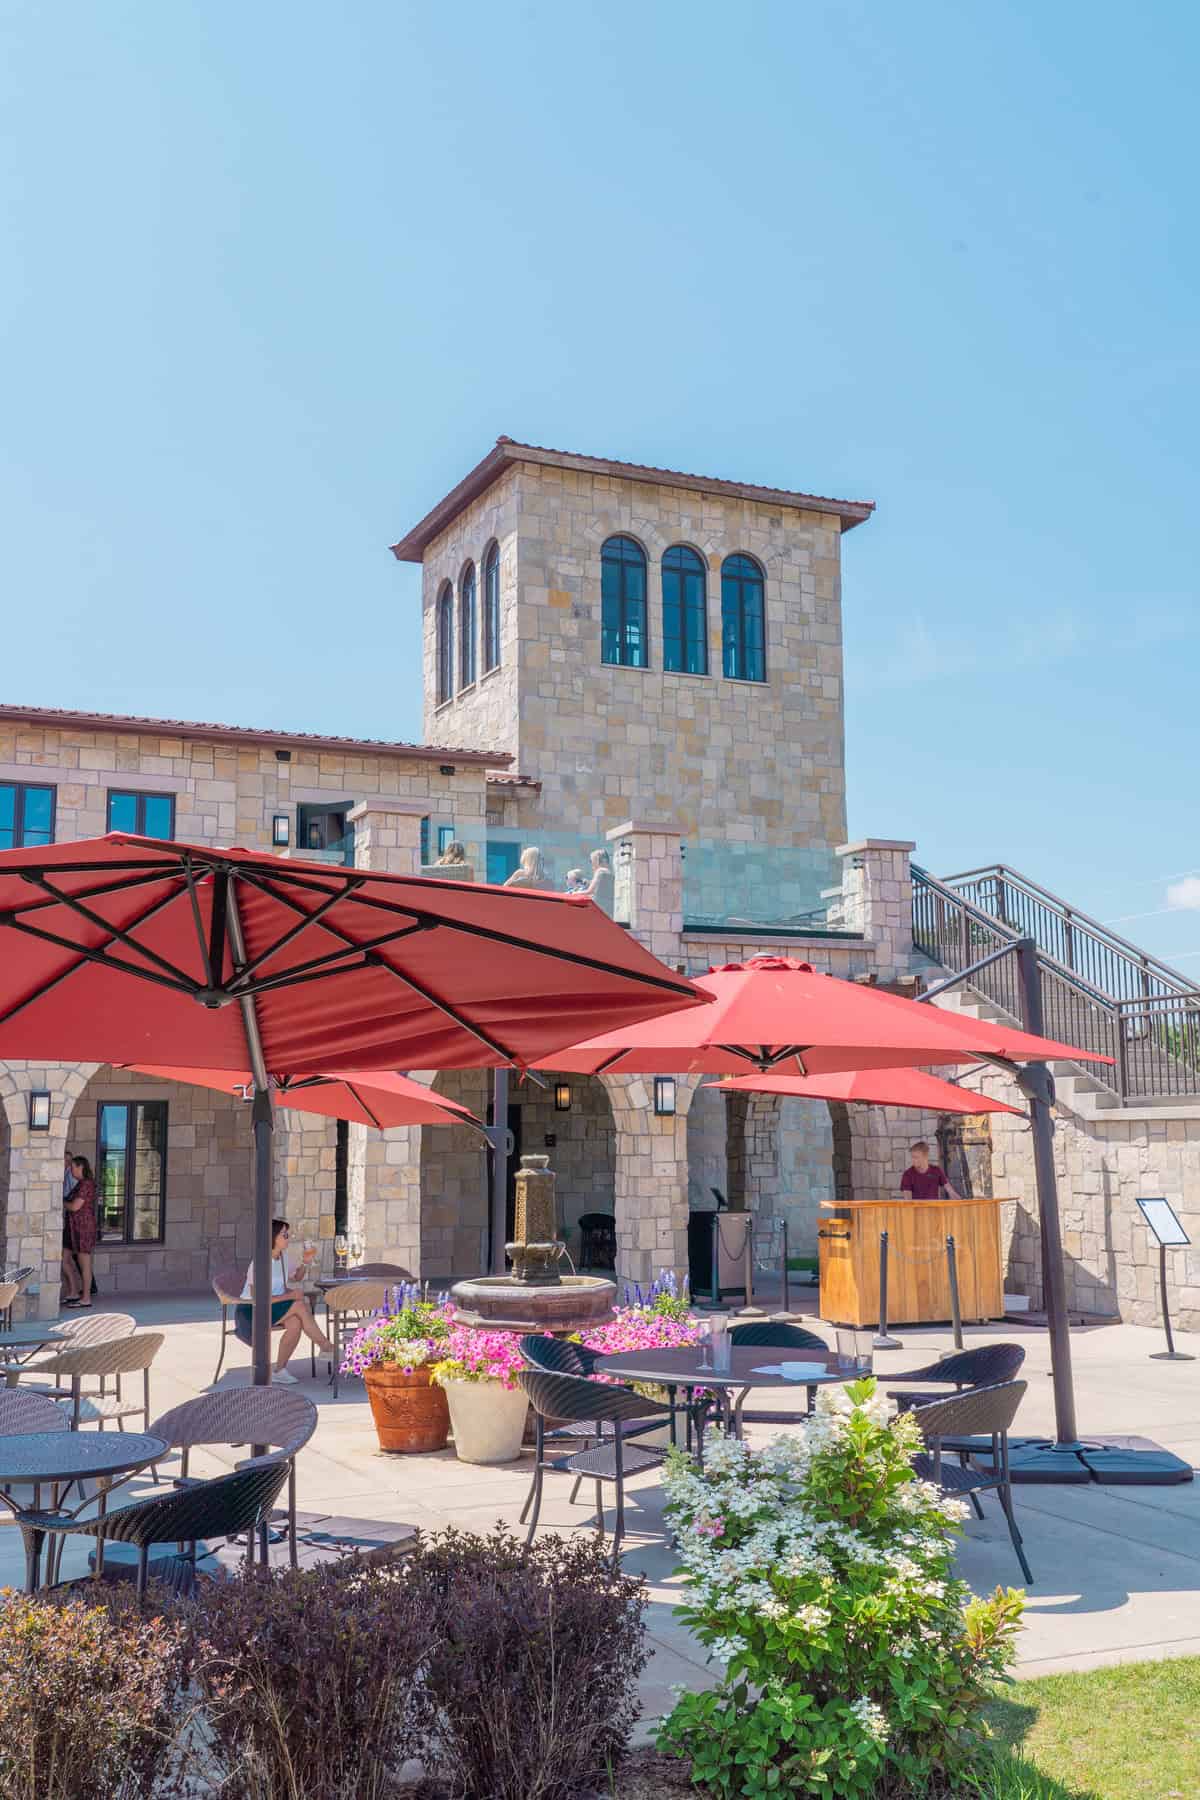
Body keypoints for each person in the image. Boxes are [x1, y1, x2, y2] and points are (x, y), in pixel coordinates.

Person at [235, 1219, 332, 1383]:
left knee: (295, 1323)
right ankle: (326, 1346)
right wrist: (289, 1296)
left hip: (274, 1308)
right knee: (299, 1304)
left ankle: (279, 1371)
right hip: (251, 1311)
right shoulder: (260, 1262)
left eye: (288, 1234)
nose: (288, 1237)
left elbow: (296, 1277)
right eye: (284, 1234)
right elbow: (257, 1298)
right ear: (273, 1237)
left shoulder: (284, 1258)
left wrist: (306, 1261)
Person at [63, 1156, 98, 1308]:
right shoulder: (81, 1184)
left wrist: (62, 1202)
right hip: (72, 1227)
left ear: (80, 1167)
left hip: (83, 1228)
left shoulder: (86, 1184)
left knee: (85, 1264)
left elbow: (75, 1206)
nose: (71, 1171)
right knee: (63, 1258)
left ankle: (86, 1298)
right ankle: (73, 1292)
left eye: (72, 1168)